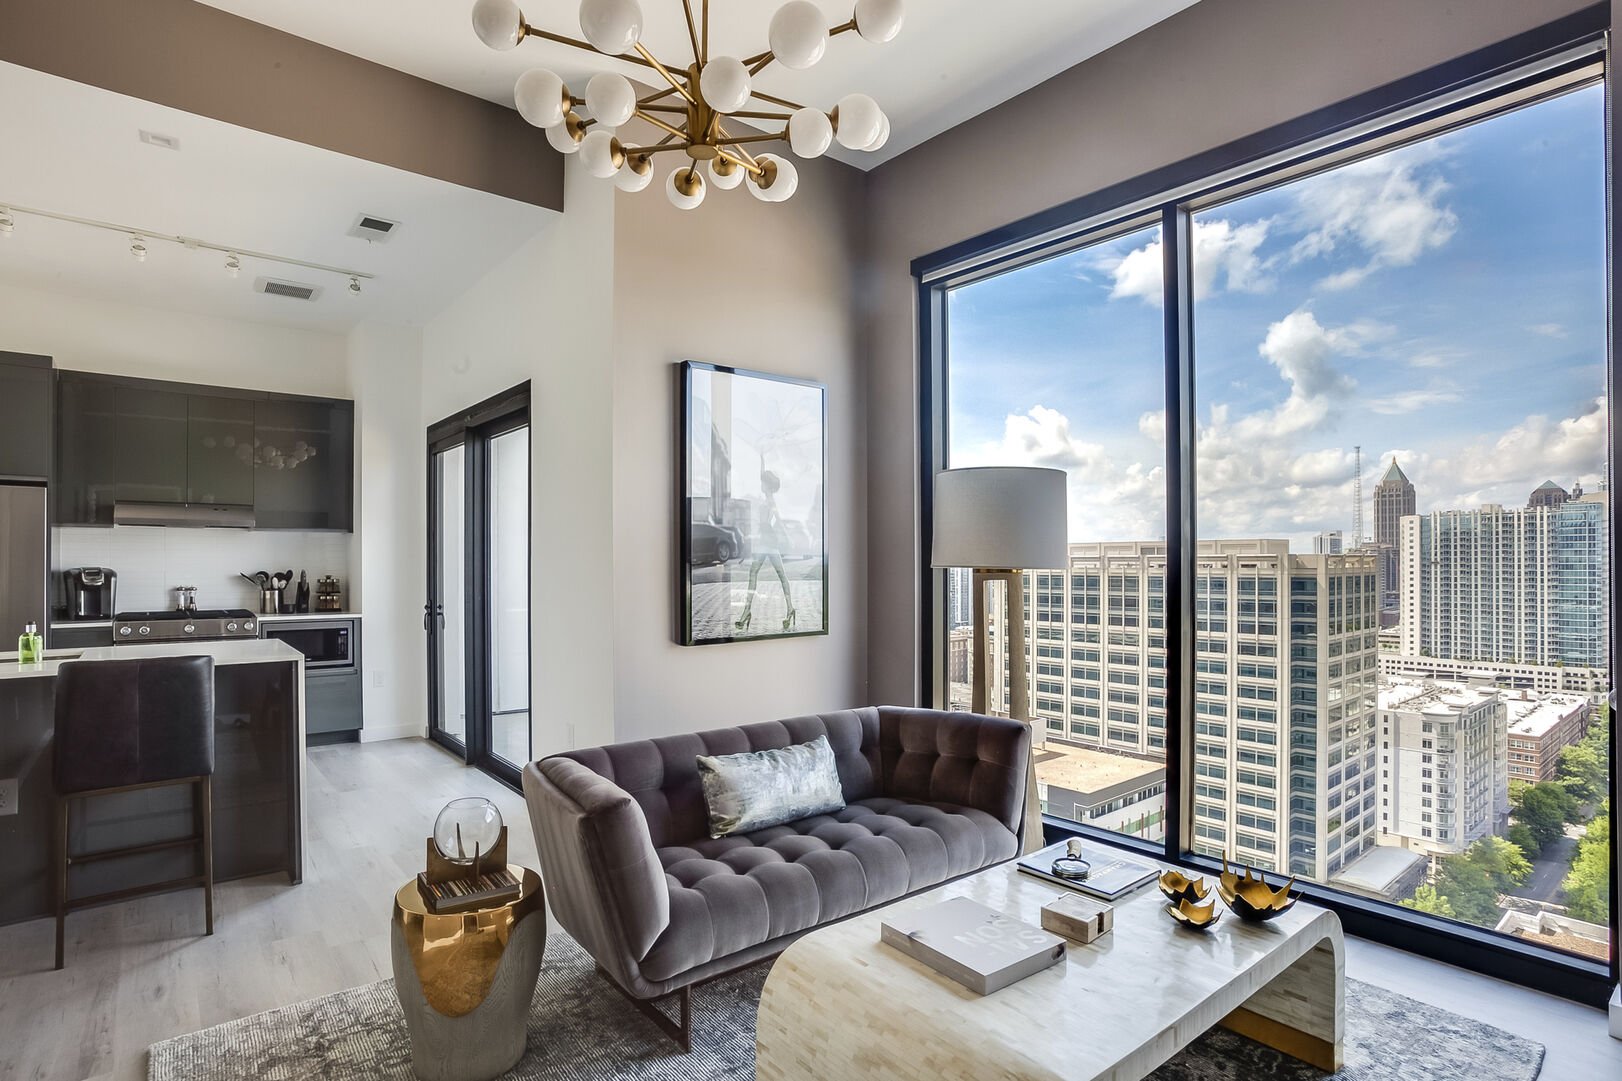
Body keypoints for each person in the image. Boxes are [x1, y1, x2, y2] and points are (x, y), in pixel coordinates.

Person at [735, 465, 796, 632]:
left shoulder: (770, 501)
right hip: (764, 540)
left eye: (763, 482)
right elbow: (762, 473)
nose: (760, 484)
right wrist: (761, 459)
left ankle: (750, 611)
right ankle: (787, 609)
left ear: (768, 485)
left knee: (776, 575)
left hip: (768, 542)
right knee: (767, 574)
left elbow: (779, 520)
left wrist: (789, 537)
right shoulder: (766, 498)